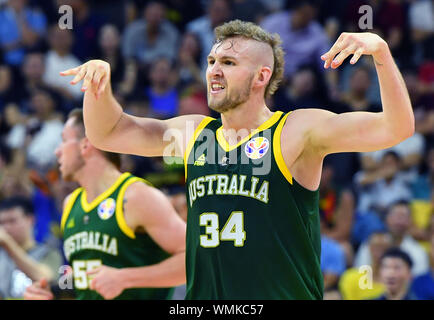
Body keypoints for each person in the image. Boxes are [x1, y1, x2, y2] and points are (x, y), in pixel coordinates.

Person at [61, 19, 414, 299]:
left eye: (228, 62)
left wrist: (381, 54)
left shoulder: (296, 131)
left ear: (262, 76)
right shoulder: (194, 135)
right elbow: (109, 133)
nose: (214, 70)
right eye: (211, 61)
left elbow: (396, 128)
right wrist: (98, 90)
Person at [24, 109, 186, 300]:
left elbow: (194, 258)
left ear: (86, 145)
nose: (57, 151)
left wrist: (125, 278)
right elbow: (86, 281)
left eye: (65, 140)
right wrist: (51, 293)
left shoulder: (136, 197)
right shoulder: (70, 204)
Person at [0, 196, 62, 299]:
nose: (6, 228)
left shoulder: (49, 252)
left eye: (12, 221)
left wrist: (8, 243)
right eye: (1, 223)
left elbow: (46, 278)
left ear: (30, 219)